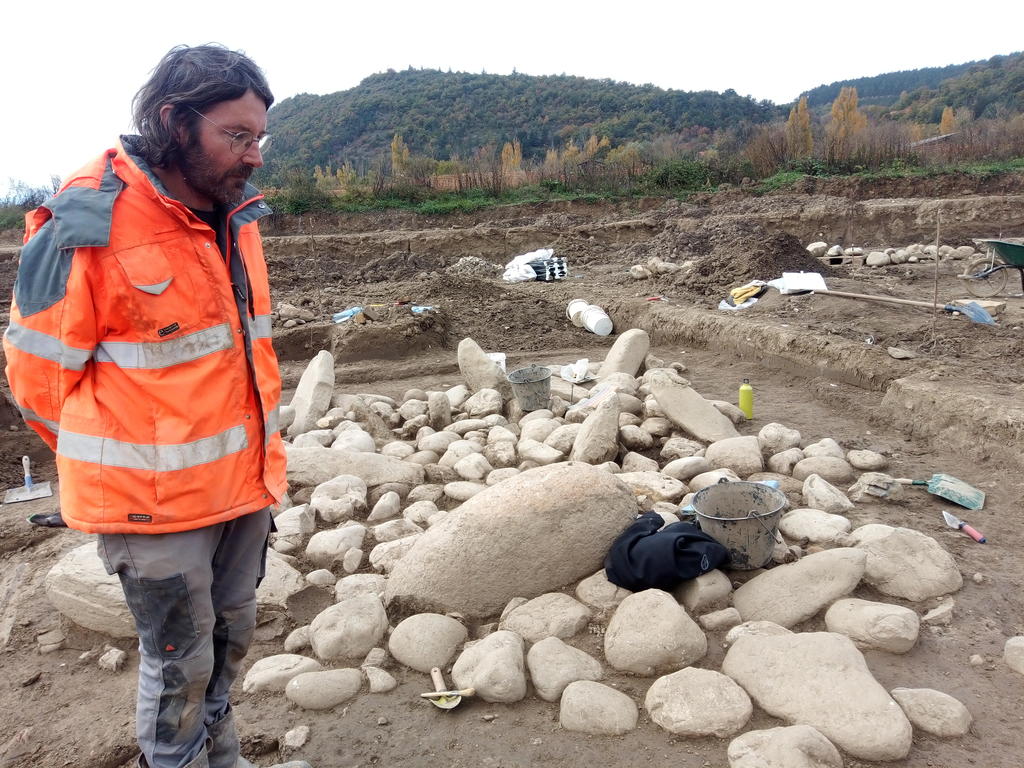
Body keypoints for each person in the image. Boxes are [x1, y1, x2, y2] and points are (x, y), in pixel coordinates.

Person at [4, 44, 310, 768]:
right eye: (237, 136)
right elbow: (37, 381)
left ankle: (224, 759)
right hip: (150, 506)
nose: (255, 156)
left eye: (260, 137)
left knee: (230, 644)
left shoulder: (236, 215)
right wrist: (119, 466)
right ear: (175, 121)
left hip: (241, 486)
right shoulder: (87, 220)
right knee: (179, 662)